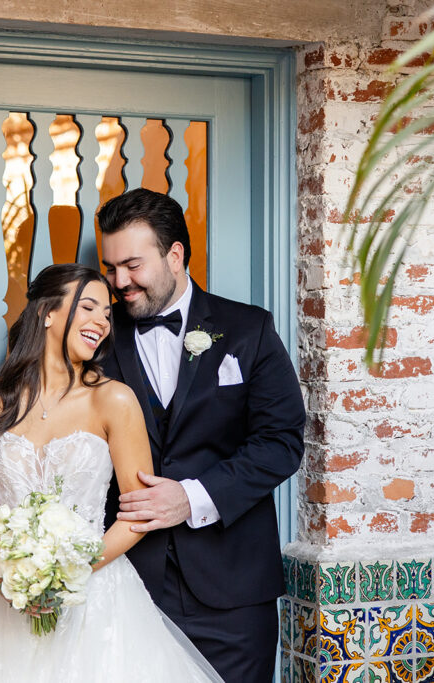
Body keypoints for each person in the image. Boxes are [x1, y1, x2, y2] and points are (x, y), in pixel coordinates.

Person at [0, 263, 223, 683]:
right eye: (88, 308)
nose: (102, 322)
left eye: (107, 314)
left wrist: (70, 574)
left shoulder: (114, 400)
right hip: (1, 602)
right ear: (46, 313)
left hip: (97, 598)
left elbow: (138, 512)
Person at [96, 188, 306, 681]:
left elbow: (281, 442)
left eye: (132, 265)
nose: (119, 282)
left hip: (233, 597)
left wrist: (191, 499)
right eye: (110, 268)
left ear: (175, 254)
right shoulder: (96, 338)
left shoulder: (248, 329)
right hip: (127, 589)